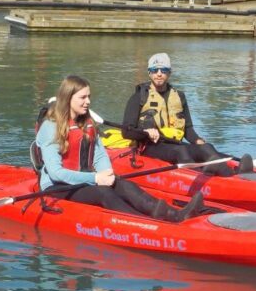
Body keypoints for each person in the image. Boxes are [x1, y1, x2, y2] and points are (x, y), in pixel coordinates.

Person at [36, 75, 203, 222]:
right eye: (83, 97)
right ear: (68, 98)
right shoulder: (51, 128)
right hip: (57, 186)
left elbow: (99, 154)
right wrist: (96, 179)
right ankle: (144, 223)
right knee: (104, 193)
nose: (88, 101)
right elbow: (56, 173)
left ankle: (175, 215)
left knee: (125, 186)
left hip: (85, 179)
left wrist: (107, 173)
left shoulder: (86, 123)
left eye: (89, 96)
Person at [120, 53, 253, 176]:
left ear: (169, 73)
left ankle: (236, 173)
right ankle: (217, 178)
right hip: (149, 146)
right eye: (155, 70)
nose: (159, 74)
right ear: (149, 73)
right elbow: (126, 132)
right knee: (181, 152)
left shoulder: (179, 96)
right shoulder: (139, 97)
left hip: (174, 143)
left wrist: (197, 141)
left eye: (163, 70)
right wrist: (146, 132)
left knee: (206, 147)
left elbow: (187, 128)